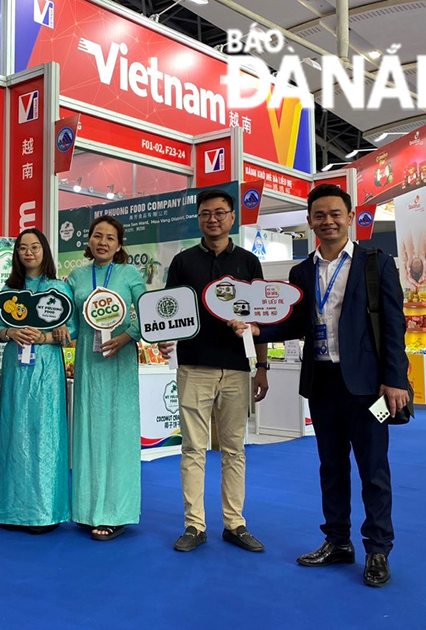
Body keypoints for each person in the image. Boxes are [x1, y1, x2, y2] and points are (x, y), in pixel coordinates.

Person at [232, 184, 408, 587]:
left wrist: (395, 379)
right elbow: (295, 323)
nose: (327, 221)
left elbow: (395, 325)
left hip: (367, 386)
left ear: (349, 217)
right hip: (322, 381)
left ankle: (378, 549)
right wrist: (260, 327)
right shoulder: (301, 272)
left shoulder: (375, 262)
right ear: (309, 221)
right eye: (319, 215)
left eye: (335, 214)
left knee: (374, 469)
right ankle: (338, 541)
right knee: (330, 466)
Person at [158, 189, 270, 554]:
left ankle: (235, 524)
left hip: (237, 369)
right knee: (193, 448)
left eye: (220, 213)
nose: (213, 219)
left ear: (232, 217)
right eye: (206, 213)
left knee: (234, 449)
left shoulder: (249, 262)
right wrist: (164, 338)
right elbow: (167, 310)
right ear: (199, 218)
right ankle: (195, 524)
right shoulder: (183, 260)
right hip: (194, 366)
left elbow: (261, 319)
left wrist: (262, 367)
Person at [67, 216, 146, 541]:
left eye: (110, 238)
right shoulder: (77, 276)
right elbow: (69, 323)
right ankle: (88, 511)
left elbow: (146, 314)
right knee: (88, 435)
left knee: (118, 437)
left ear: (119, 244)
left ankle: (116, 513)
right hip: (88, 364)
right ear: (88, 241)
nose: (103, 242)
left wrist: (127, 337)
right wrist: (47, 332)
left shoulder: (130, 274)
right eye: (98, 236)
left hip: (119, 365)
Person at [0, 228, 75, 534]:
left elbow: (74, 329)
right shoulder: (8, 289)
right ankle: (11, 509)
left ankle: (45, 510)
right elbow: (0, 329)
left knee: (45, 432)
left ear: (45, 251)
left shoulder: (59, 289)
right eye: (23, 248)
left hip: (47, 367)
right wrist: (11, 332)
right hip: (16, 365)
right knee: (14, 431)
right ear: (17, 254)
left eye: (35, 247)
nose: (29, 252)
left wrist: (50, 336)